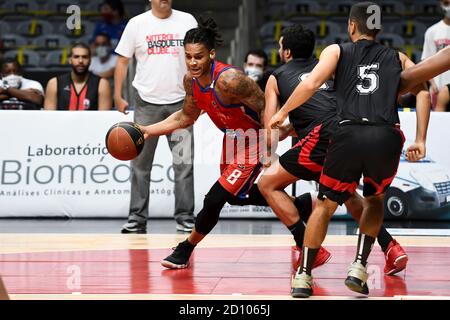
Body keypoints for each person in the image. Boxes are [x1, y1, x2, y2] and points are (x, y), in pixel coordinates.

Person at [137, 18, 333, 270]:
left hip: (254, 138)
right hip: (232, 139)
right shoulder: (191, 81)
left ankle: (185, 249)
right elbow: (186, 116)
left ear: (211, 54)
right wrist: (147, 130)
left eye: (198, 56)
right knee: (236, 197)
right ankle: (302, 206)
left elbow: (266, 105)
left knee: (215, 198)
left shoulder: (230, 80)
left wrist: (270, 144)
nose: (193, 62)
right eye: (188, 57)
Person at [270, 2, 430, 298]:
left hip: (348, 133)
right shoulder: (397, 56)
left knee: (326, 205)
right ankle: (359, 266)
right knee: (374, 199)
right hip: (386, 135)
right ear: (378, 28)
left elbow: (312, 84)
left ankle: (303, 275)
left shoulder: (337, 51)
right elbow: (423, 90)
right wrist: (420, 138)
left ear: (352, 26)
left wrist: (284, 112)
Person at [258, 24, 409, 277]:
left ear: (285, 52)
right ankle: (391, 248)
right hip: (347, 130)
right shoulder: (330, 65)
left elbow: (270, 126)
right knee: (349, 196)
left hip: (323, 136)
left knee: (267, 184)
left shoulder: (276, 76)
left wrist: (268, 152)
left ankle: (304, 245)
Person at [114, 0, 197, 233]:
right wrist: (117, 95)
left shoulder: (187, 20)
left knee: (183, 163)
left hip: (181, 105)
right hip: (146, 105)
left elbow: (198, 57)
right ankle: (137, 218)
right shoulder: (137, 24)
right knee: (140, 164)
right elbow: (122, 61)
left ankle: (185, 218)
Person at [44, 43, 112, 111]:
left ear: (90, 60)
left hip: (91, 122)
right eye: (76, 57)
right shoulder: (54, 83)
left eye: (84, 57)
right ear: (70, 60)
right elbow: (50, 118)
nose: (80, 61)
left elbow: (104, 118)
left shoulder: (102, 84)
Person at [421, 0, 450, 107]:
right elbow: (426, 61)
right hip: (438, 88)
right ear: (441, 4)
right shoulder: (432, 31)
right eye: (447, 3)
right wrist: (433, 84)